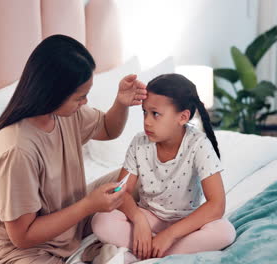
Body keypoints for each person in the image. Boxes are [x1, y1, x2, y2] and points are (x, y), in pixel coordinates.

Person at [0, 34, 147, 264]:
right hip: (21, 253)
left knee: (141, 174)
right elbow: (23, 237)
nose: (85, 102)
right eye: (80, 97)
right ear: (52, 92)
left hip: (69, 222)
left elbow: (107, 128)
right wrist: (89, 205)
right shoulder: (16, 150)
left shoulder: (64, 114)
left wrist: (121, 103)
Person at [91, 73, 236, 262]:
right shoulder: (139, 143)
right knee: (101, 220)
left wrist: (169, 235)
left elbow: (216, 205)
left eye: (155, 114)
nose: (147, 121)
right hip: (149, 216)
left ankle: (143, 252)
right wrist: (139, 220)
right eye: (145, 112)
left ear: (182, 117)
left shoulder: (198, 144)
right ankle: (155, 247)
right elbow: (121, 191)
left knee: (224, 232)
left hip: (185, 223)